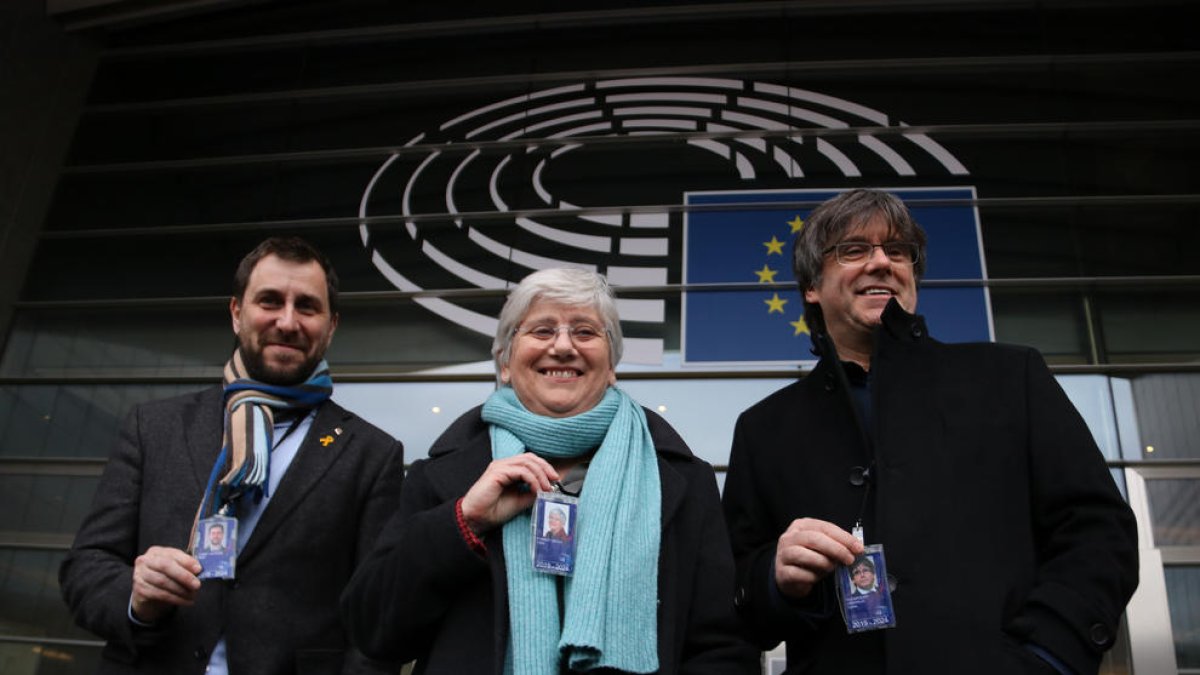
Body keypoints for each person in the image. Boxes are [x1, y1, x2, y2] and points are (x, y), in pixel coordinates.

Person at [721, 189, 1139, 674]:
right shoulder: (764, 428)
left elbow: (1098, 533)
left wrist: (1047, 658)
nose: (881, 262)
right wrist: (773, 577)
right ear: (812, 286)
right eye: (854, 250)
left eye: (897, 251)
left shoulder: (1010, 378)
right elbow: (730, 590)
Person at [341, 268, 757, 674]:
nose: (562, 347)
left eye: (585, 332)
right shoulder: (441, 477)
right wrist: (464, 520)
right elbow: (374, 630)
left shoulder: (682, 480)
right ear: (505, 362)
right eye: (541, 330)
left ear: (611, 364)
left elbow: (722, 646)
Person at [59, 237, 405, 675]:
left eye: (307, 307)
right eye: (270, 301)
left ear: (331, 325)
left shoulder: (371, 455)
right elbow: (85, 568)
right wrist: (136, 598)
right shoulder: (155, 427)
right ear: (237, 312)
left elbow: (374, 618)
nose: (287, 321)